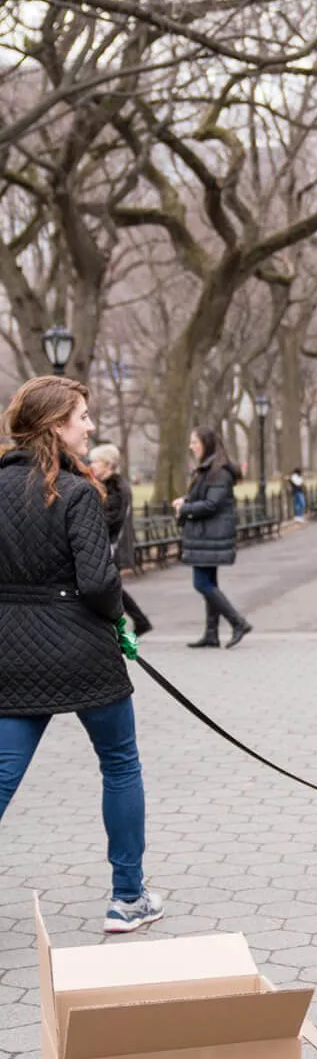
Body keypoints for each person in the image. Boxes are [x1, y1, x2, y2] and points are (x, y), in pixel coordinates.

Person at [0, 377, 162, 932]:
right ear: (55, 426)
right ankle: (128, 898)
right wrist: (119, 619)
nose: (90, 427)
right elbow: (97, 581)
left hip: (11, 652)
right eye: (82, 417)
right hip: (81, 649)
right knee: (119, 762)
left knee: (3, 774)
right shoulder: (76, 492)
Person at [174, 428, 252, 648]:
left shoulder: (218, 472)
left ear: (206, 444)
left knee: (201, 583)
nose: (191, 446)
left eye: (195, 442)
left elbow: (211, 504)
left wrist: (185, 509)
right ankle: (211, 633)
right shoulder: (210, 469)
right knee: (209, 583)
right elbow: (205, 496)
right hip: (207, 534)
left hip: (210, 534)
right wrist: (185, 500)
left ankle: (238, 622)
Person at [89, 442, 152, 637]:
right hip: (110, 545)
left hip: (111, 546)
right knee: (113, 588)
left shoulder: (115, 488)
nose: (92, 466)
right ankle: (139, 621)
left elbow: (112, 519)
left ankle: (132, 624)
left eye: (96, 462)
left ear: (108, 464)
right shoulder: (108, 486)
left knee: (110, 588)